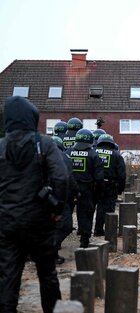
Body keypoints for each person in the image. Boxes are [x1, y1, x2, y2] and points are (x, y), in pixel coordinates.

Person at [0, 96, 68, 313]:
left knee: (7, 275)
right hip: (39, 220)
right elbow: (61, 177)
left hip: (7, 221)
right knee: (47, 273)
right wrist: (57, 208)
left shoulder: (0, 146)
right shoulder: (45, 144)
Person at [67, 128, 104, 248]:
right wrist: (99, 192)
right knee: (86, 213)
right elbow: (99, 177)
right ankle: (84, 239)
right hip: (87, 189)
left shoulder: (68, 153)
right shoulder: (94, 155)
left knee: (65, 211)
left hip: (68, 188)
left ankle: (59, 239)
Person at [51, 136, 78, 265]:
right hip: (61, 197)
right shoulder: (64, 158)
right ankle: (51, 252)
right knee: (65, 226)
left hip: (39, 197)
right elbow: (68, 177)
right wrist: (76, 192)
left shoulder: (37, 154)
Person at [94, 134, 126, 236]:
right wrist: (120, 189)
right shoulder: (117, 155)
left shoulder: (94, 152)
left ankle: (96, 230)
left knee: (98, 207)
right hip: (111, 186)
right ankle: (109, 230)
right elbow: (122, 175)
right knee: (109, 208)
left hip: (95, 185)